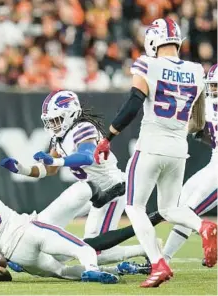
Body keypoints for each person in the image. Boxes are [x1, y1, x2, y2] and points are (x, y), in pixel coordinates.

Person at [93, 18, 217, 288]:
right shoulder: (197, 70)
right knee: (170, 208)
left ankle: (158, 263)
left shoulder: (147, 64)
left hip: (150, 144)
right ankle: (203, 226)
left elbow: (133, 104)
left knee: (134, 207)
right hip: (178, 148)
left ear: (152, 40)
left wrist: (108, 137)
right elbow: (197, 121)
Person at [0, 90, 145, 265]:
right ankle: (33, 256)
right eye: (50, 121)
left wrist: (55, 159)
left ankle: (146, 250)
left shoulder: (83, 128)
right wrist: (22, 169)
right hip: (89, 191)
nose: (53, 125)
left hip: (111, 190)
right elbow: (49, 169)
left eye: (56, 119)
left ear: (71, 113)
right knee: (45, 227)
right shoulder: (59, 138)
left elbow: (86, 156)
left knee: (94, 251)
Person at [163, 64, 218, 263]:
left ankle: (163, 259)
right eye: (212, 86)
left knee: (189, 210)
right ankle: (164, 258)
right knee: (184, 202)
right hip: (215, 162)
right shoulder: (210, 106)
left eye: (216, 86)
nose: (213, 91)